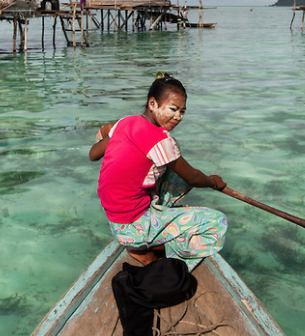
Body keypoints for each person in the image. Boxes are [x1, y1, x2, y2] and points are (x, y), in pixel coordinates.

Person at [89, 74, 228, 271]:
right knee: (218, 223)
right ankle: (150, 248)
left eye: (182, 111)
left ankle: (150, 229)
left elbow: (93, 154)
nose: (178, 116)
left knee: (173, 172)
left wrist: (107, 135)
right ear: (153, 104)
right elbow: (193, 177)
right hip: (133, 228)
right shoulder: (161, 140)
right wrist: (214, 182)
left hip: (115, 221)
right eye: (173, 109)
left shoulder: (124, 123)